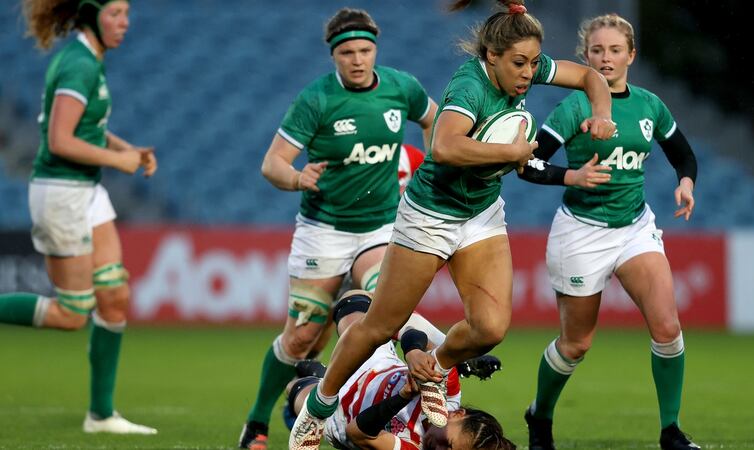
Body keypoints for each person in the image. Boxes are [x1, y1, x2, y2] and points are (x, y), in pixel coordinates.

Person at [289, 1, 616, 448]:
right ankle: (318, 407)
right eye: (519, 63)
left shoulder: (526, 68)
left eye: (534, 63)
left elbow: (589, 76)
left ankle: (435, 371)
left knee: (490, 329)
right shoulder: (469, 86)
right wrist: (512, 153)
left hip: (479, 214)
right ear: (491, 57)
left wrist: (603, 114)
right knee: (381, 327)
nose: (528, 73)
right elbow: (444, 147)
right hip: (430, 216)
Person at [239, 8, 438, 448]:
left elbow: (432, 118)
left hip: (380, 228)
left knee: (384, 311)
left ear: (375, 50)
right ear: (334, 55)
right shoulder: (317, 100)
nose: (357, 59)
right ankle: (256, 421)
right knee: (302, 337)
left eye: (365, 50)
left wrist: (432, 167)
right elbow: (272, 163)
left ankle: (420, 380)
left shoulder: (401, 88)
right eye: (347, 52)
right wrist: (296, 178)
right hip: (323, 230)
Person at [516, 14, 700, 450]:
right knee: (576, 344)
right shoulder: (574, 106)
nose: (606, 58)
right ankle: (539, 416)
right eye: (597, 50)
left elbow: (684, 155)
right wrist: (572, 177)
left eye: (615, 50)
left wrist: (686, 182)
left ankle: (670, 431)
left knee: (668, 328)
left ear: (631, 55)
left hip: (634, 227)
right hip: (581, 232)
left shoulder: (650, 105)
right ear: (585, 56)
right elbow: (527, 164)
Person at [0, 0, 157, 435]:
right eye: (115, 14)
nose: (125, 22)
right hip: (61, 193)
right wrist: (117, 160)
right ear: (91, 16)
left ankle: (101, 415)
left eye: (127, 12)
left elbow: (86, 126)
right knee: (73, 314)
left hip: (87, 192)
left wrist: (125, 149)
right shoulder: (78, 66)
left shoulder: (90, 59)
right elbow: (59, 140)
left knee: (115, 296)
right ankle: (101, 414)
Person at [278, 290, 511, 450]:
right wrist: (413, 353)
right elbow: (414, 335)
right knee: (352, 300)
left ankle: (322, 377)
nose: (437, 448)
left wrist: (403, 397)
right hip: (374, 363)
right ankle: (459, 357)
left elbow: (357, 432)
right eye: (447, 443)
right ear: (458, 414)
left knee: (293, 390)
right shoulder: (446, 393)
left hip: (340, 415)